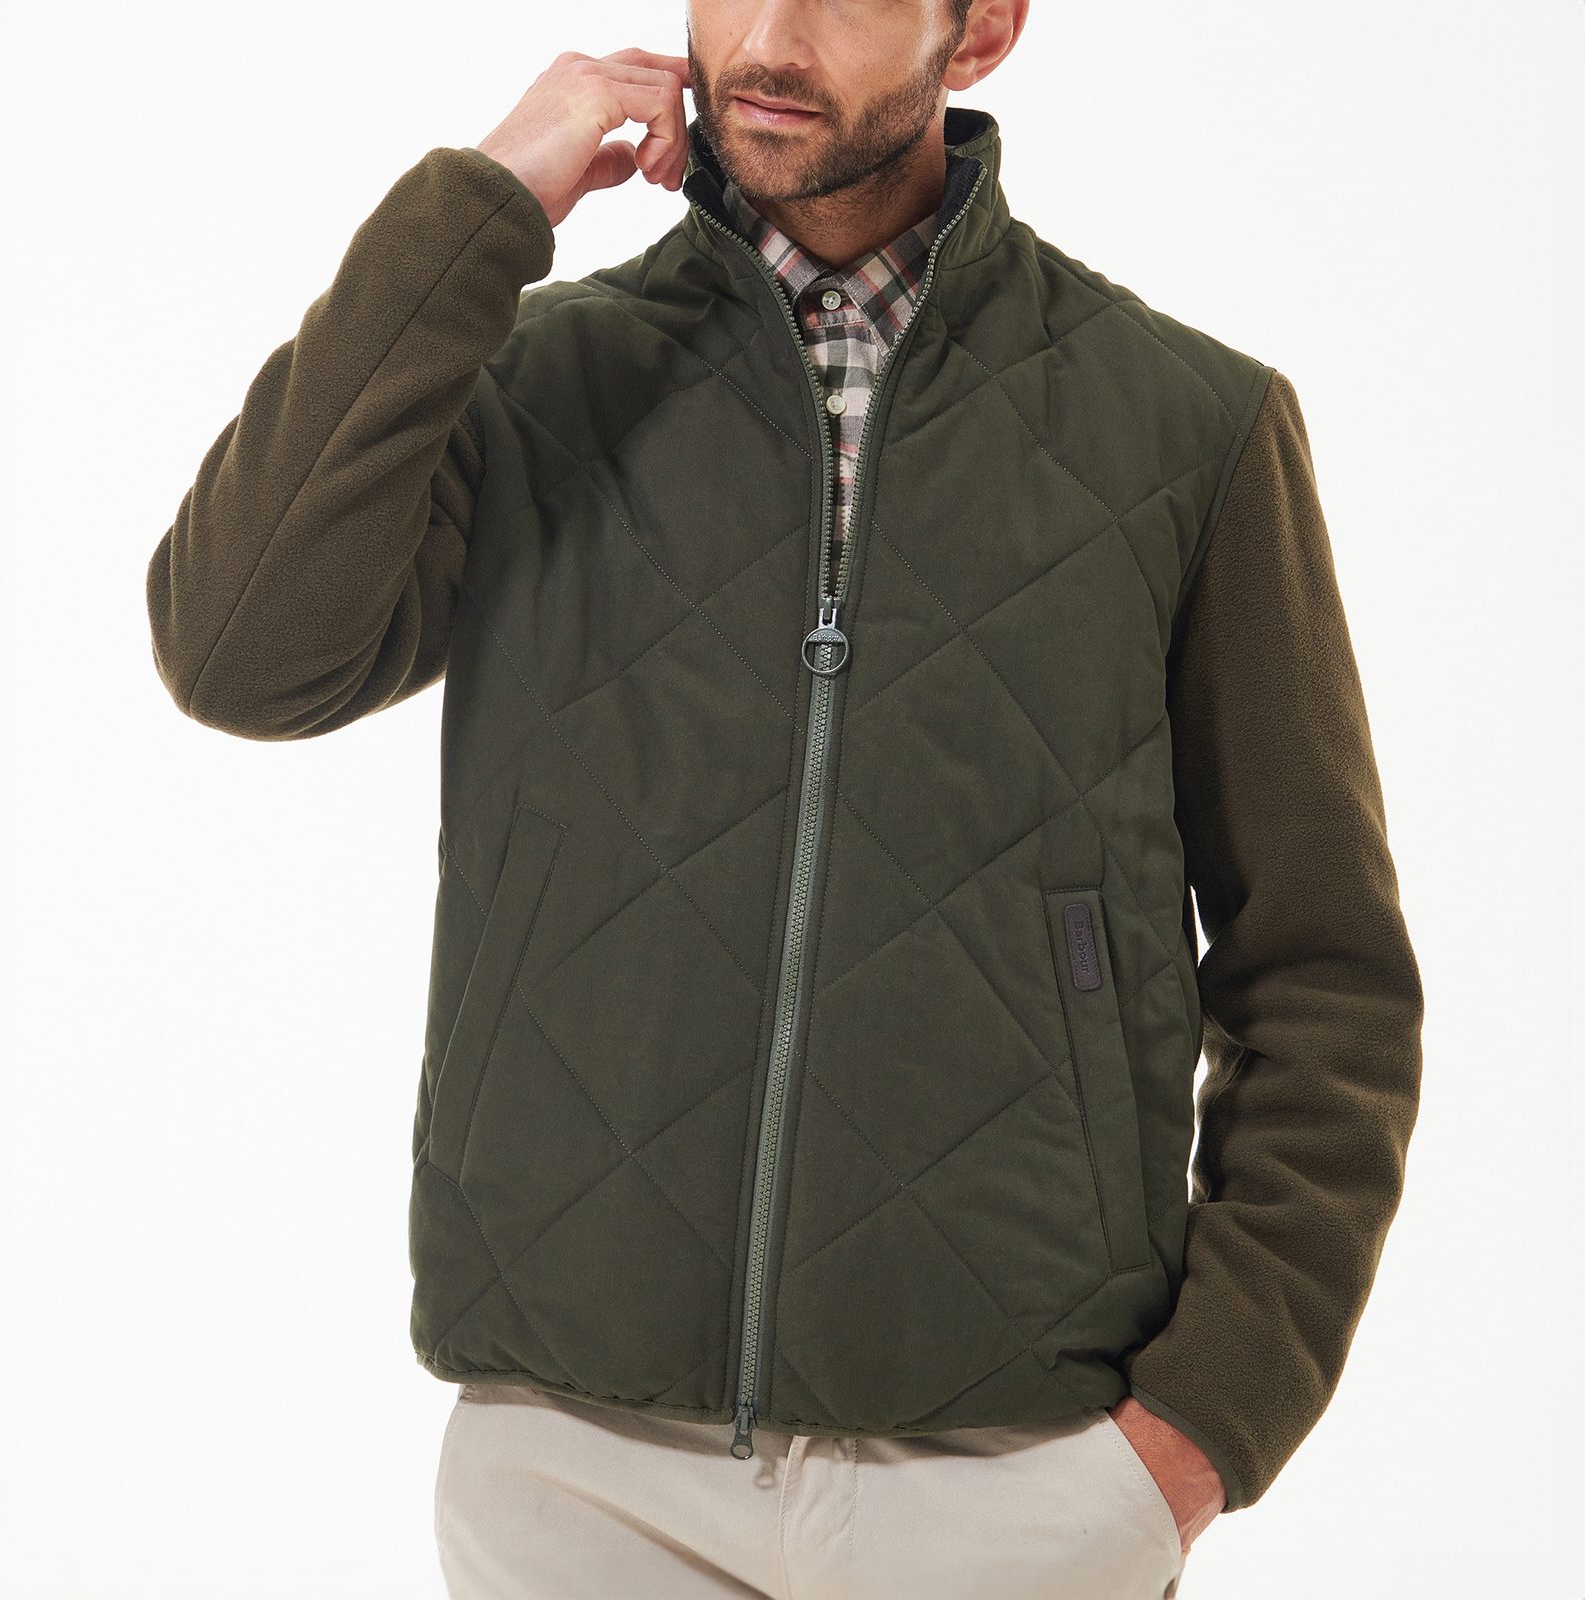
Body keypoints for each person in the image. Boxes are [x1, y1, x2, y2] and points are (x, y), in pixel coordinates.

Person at [145, 1, 1425, 1595]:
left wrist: (1202, 1430)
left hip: (1013, 1477)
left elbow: (1325, 979)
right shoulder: (538, 380)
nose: (768, 35)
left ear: (982, 31)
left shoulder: (1187, 428)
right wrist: (481, 209)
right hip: (576, 1472)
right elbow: (238, 653)